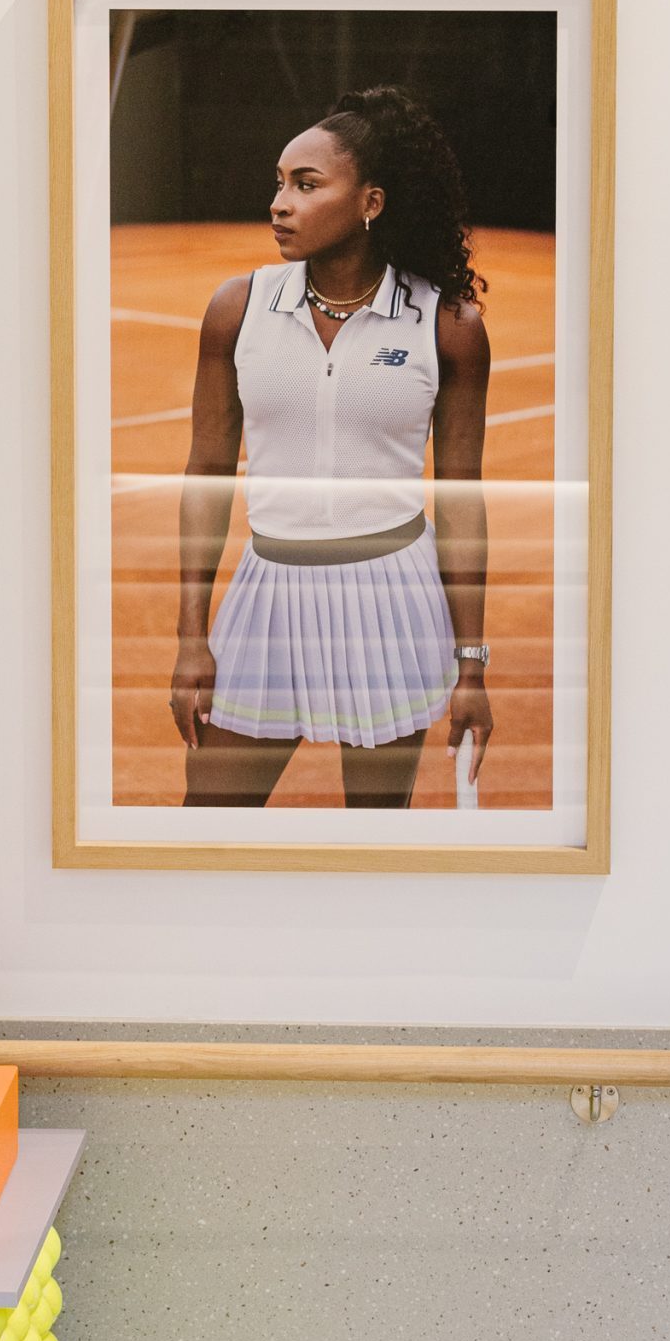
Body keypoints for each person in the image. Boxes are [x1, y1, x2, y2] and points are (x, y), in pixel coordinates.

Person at [171, 84, 491, 811]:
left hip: (391, 603)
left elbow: (463, 502)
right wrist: (191, 639)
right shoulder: (237, 308)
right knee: (209, 823)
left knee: (374, 838)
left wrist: (472, 664)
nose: (279, 204)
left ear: (371, 202)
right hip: (267, 597)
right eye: (279, 183)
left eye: (306, 185)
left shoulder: (446, 325)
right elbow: (206, 476)